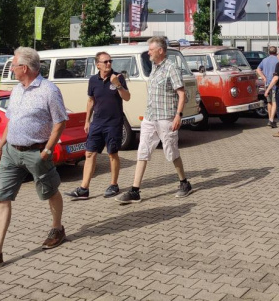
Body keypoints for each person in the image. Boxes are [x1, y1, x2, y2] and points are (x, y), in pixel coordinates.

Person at [0, 47, 68, 272]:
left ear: (24, 68)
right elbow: (10, 121)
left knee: (49, 192)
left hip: (37, 152)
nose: (11, 68)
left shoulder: (49, 90)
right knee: (1, 198)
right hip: (11, 152)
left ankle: (57, 228)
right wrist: (0, 147)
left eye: (13, 65)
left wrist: (48, 149)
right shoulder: (16, 90)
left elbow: (60, 121)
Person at [115, 37, 192, 203]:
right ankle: (135, 190)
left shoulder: (171, 68)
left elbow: (181, 93)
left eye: (151, 49)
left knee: (171, 152)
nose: (148, 52)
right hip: (150, 117)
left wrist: (178, 115)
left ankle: (184, 183)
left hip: (166, 117)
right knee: (142, 151)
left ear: (160, 51)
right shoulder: (154, 68)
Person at [65, 52, 131, 200]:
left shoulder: (118, 78)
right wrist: (87, 121)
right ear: (98, 65)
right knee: (89, 153)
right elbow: (91, 101)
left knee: (112, 154)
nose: (108, 64)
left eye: (110, 61)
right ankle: (84, 189)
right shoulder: (93, 80)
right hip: (97, 123)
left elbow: (127, 97)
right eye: (105, 62)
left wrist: (118, 85)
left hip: (113, 123)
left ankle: (114, 185)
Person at [256, 46, 279, 128]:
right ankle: (271, 120)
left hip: (266, 84)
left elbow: (258, 69)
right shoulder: (278, 60)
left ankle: (270, 118)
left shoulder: (264, 60)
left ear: (269, 52)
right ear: (276, 52)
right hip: (275, 84)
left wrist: (263, 77)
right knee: (275, 102)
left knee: (269, 102)